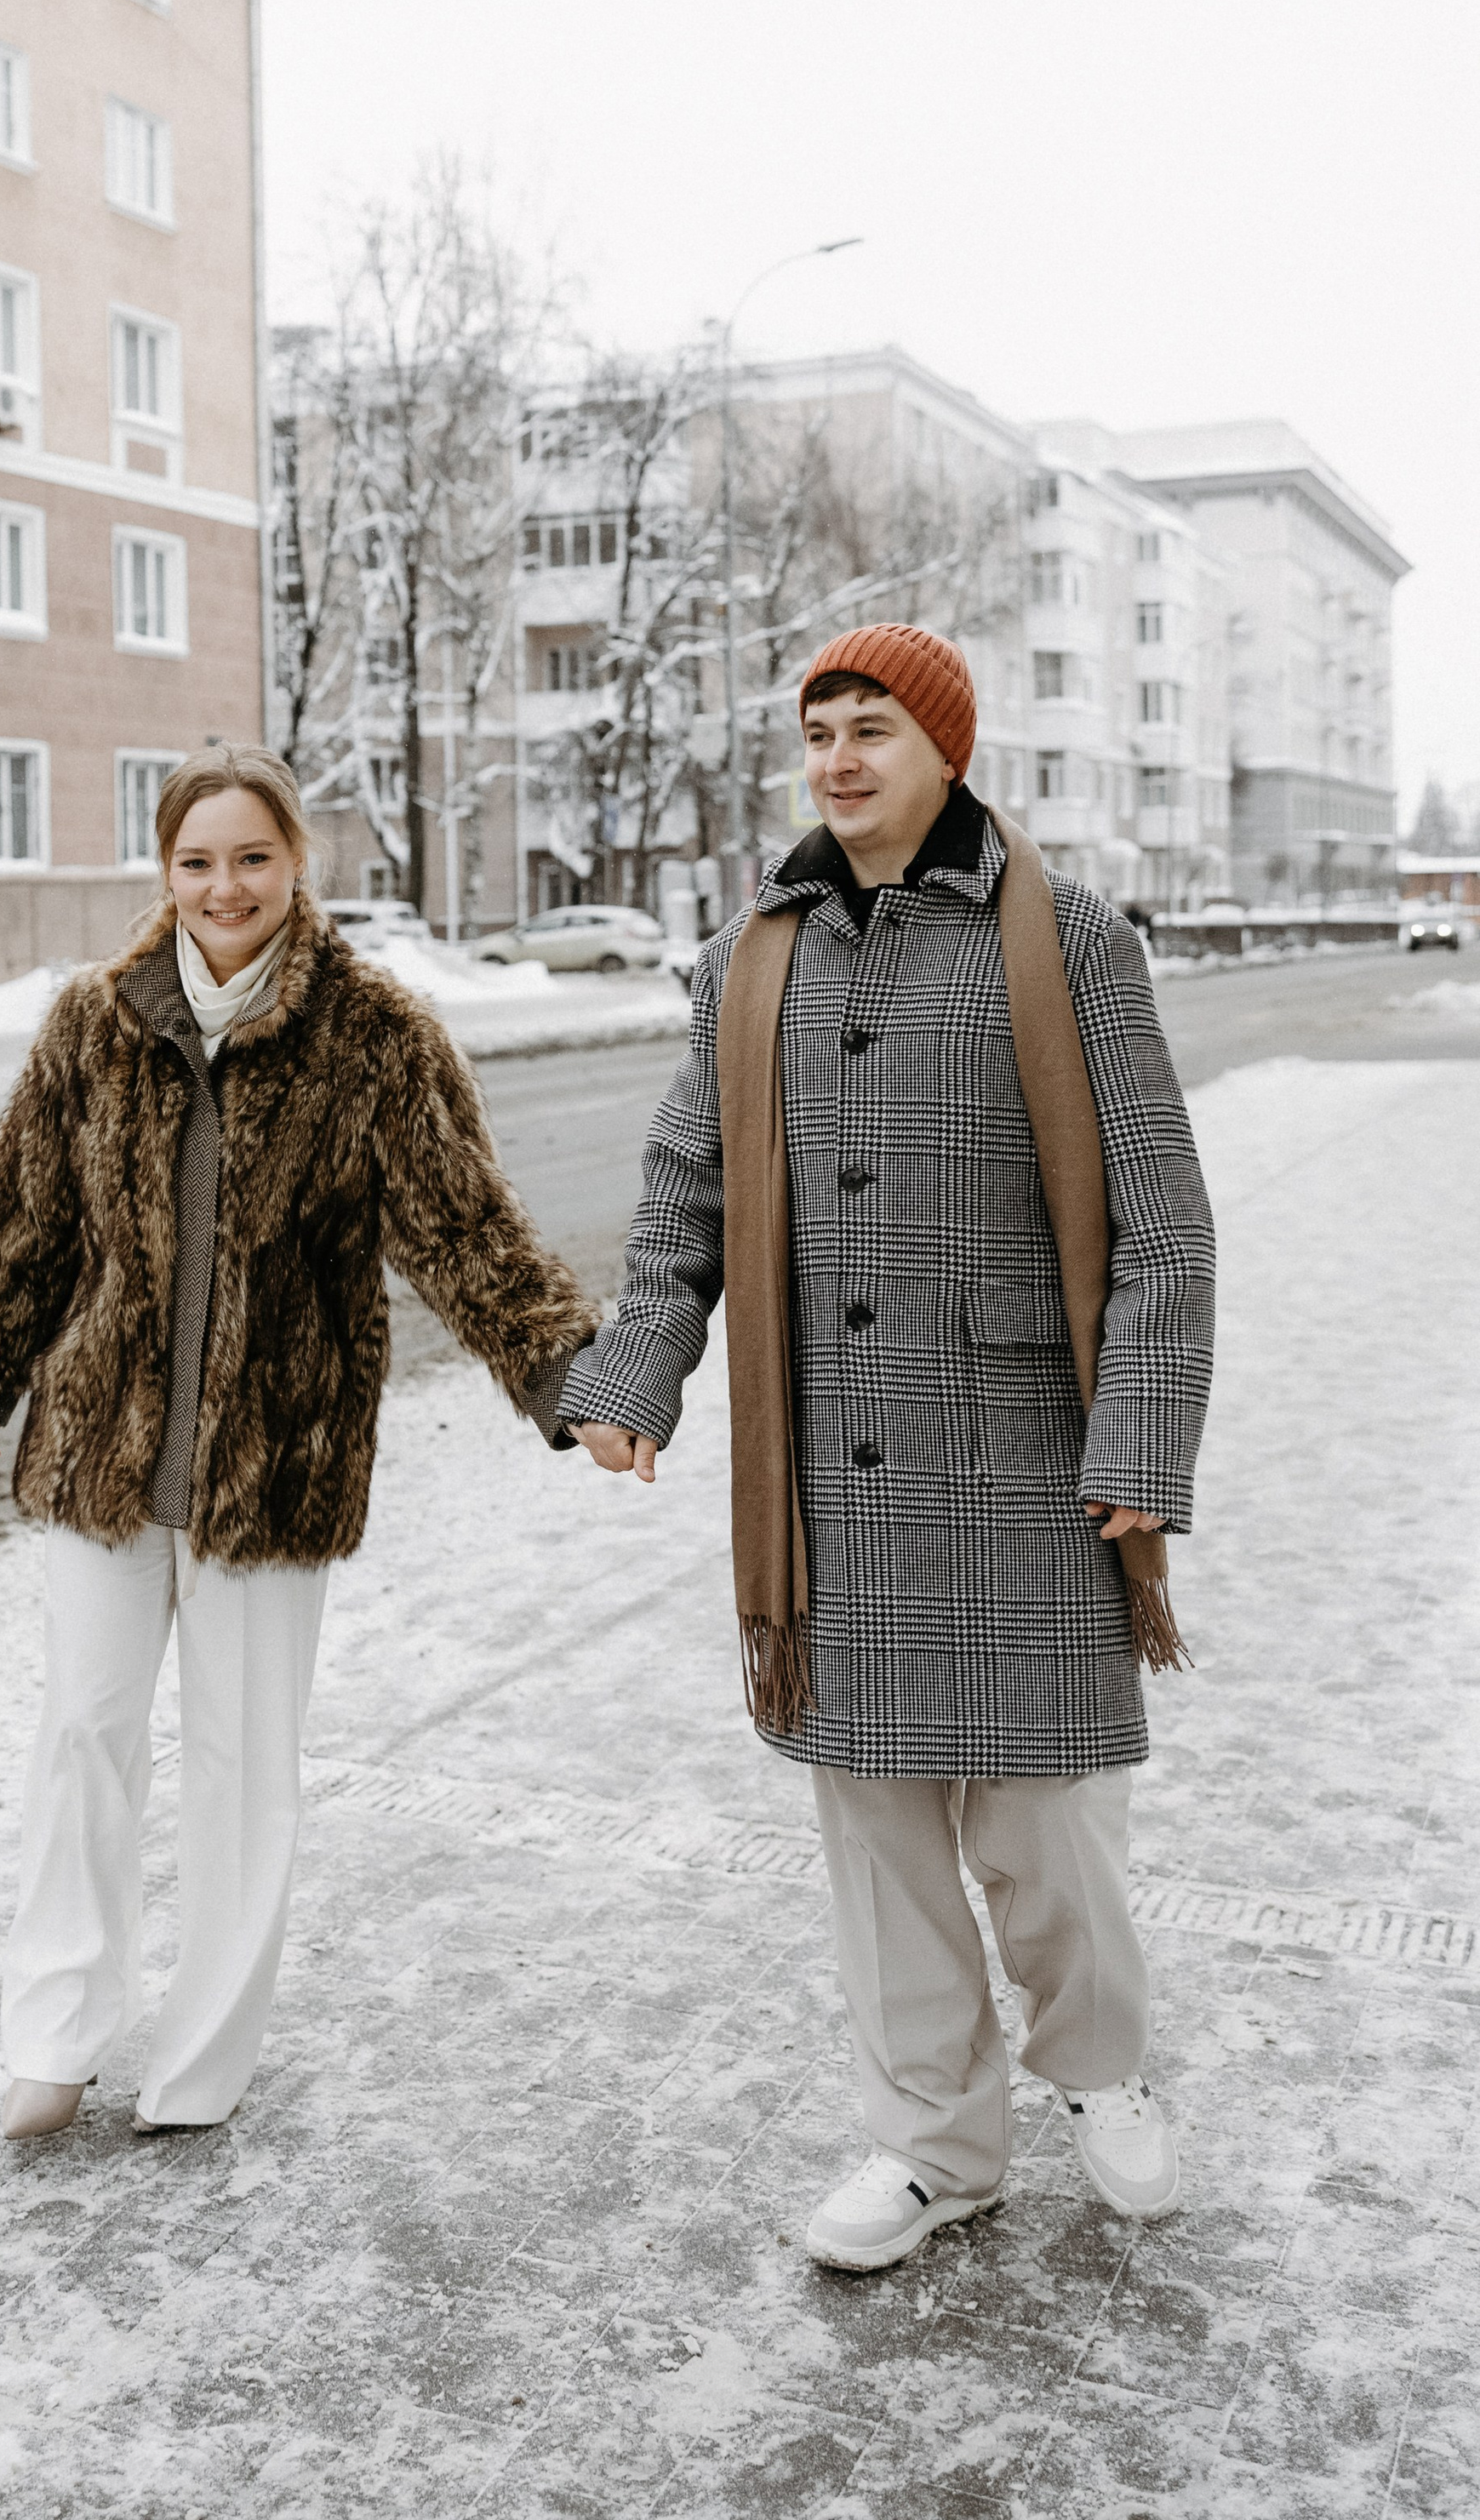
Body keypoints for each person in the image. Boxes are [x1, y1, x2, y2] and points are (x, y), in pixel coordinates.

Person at [558, 624, 1214, 2271]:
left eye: (872, 729)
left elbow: (1162, 1226)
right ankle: (932, 2149)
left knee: (1043, 1830)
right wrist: (633, 1376)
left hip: (1027, 1459)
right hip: (831, 1470)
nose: (840, 758)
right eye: (820, 733)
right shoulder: (743, 958)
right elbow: (680, 1204)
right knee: (878, 1840)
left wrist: (1142, 1431)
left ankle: (1101, 2072)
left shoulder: (1064, 941)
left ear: (944, 750)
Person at [0, 743, 592, 2143]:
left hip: (274, 1460)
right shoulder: (93, 1023)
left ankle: (201, 2062)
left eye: (251, 858)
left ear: (298, 863)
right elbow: (23, 1218)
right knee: (86, 1739)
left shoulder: (375, 1035)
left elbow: (461, 1228)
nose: (224, 887)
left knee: (241, 1761)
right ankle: (54, 2037)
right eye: (195, 861)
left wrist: (555, 1373)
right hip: (102, 1450)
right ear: (162, 874)